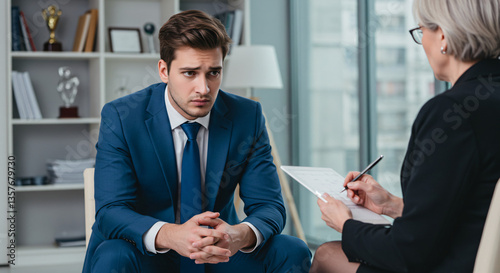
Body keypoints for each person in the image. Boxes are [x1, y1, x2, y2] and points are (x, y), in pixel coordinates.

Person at [82, 10, 311, 273]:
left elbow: (269, 206)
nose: (204, 88)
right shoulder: (122, 117)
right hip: (147, 251)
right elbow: (111, 211)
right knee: (113, 254)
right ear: (164, 71)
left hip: (218, 251)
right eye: (190, 73)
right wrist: (172, 235)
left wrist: (238, 235)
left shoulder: (246, 117)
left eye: (213, 73)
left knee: (292, 250)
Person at [310, 0, 500, 272]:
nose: (422, 43)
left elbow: (410, 251)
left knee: (327, 255)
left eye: (422, 31)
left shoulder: (451, 112)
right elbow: (474, 209)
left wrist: (346, 224)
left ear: (443, 35)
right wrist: (393, 205)